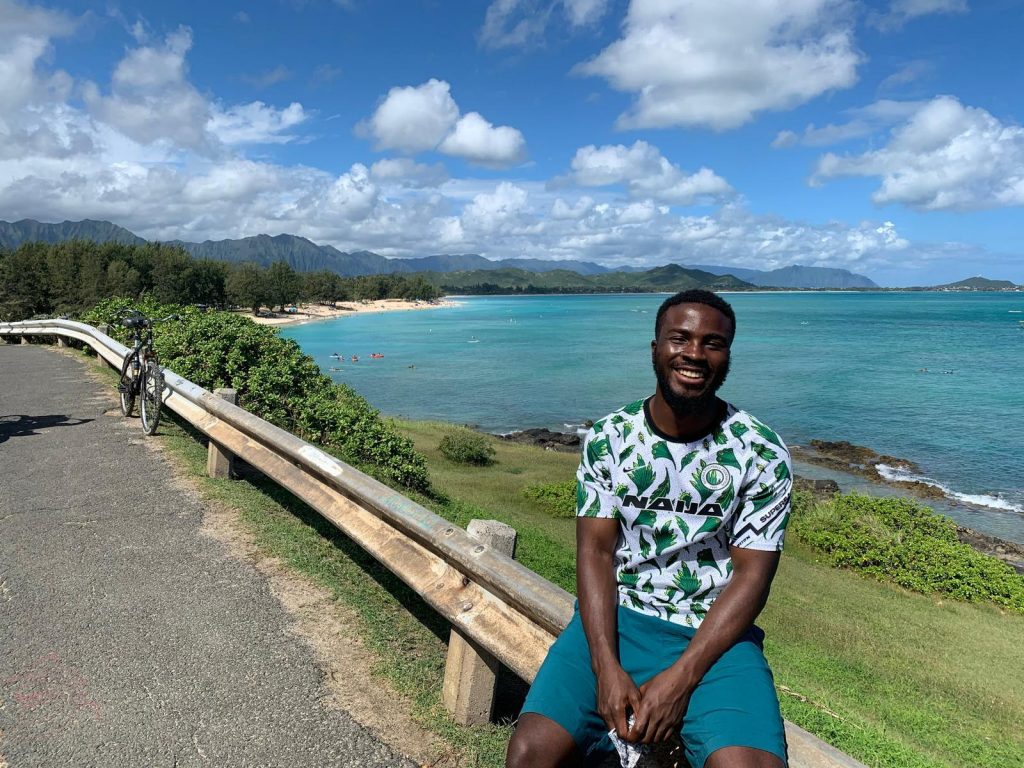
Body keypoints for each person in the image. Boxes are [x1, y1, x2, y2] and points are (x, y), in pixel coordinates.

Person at [506, 290, 792, 768]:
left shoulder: (761, 452)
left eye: (713, 342)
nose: (695, 354)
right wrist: (605, 666)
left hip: (714, 635)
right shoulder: (610, 439)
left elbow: (752, 578)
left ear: (727, 355)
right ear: (655, 347)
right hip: (619, 618)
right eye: (680, 338)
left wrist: (680, 681)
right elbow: (595, 554)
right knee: (530, 752)